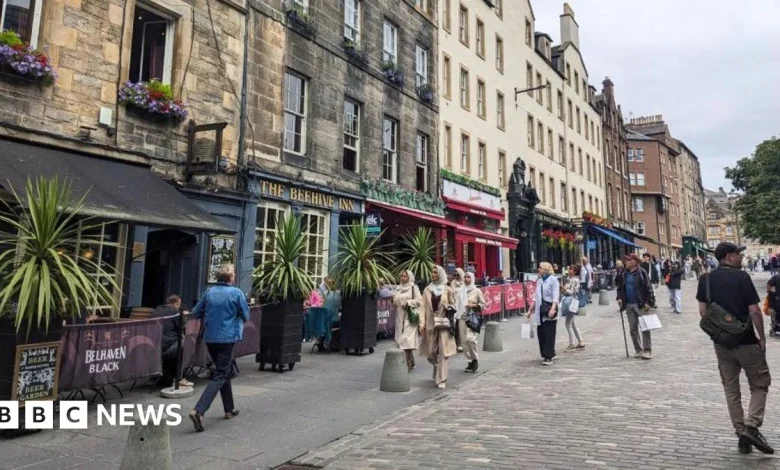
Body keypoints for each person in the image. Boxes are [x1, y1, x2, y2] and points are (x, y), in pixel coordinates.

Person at [696, 243, 772, 455]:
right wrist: (762, 337)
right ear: (729, 257)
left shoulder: (706, 279)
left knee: (731, 389)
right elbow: (755, 310)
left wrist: (721, 331)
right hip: (747, 341)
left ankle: (741, 435)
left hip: (722, 344)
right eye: (739, 254)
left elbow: (703, 312)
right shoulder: (741, 277)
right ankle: (751, 426)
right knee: (759, 384)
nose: (741, 257)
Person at [189, 264, 249, 432]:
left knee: (224, 370)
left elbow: (195, 311)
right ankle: (199, 410)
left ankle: (229, 409)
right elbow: (246, 315)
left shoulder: (209, 292)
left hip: (210, 338)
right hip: (227, 337)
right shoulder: (236, 293)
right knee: (220, 374)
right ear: (230, 278)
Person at [420, 265, 457, 389]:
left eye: (436, 272)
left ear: (440, 274)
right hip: (431, 323)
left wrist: (448, 306)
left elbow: (454, 305)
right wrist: (422, 323)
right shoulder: (427, 290)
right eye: (432, 272)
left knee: (443, 352)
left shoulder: (447, 290)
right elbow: (422, 307)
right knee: (431, 352)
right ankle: (436, 367)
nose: (433, 274)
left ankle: (442, 378)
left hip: (444, 324)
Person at [617, 254, 655, 360]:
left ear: (634, 262)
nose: (626, 262)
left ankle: (647, 350)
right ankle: (638, 350)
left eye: (628, 261)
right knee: (633, 329)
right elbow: (620, 288)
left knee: (645, 327)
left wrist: (648, 302)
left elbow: (648, 288)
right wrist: (619, 298)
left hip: (641, 304)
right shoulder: (624, 273)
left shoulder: (641, 273)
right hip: (629, 305)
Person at [151, 295, 193, 388]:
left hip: (154, 347)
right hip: (167, 348)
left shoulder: (157, 309)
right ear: (175, 304)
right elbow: (182, 327)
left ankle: (163, 375)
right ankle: (180, 378)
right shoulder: (174, 312)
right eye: (179, 305)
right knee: (185, 344)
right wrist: (184, 316)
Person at [531, 262, 560, 366]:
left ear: (545, 269)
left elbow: (555, 295)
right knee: (541, 333)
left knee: (549, 333)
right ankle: (547, 352)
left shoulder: (553, 280)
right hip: (540, 310)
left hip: (548, 308)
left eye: (540, 268)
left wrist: (553, 308)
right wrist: (531, 309)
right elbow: (536, 296)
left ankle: (548, 356)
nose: (538, 269)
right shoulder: (539, 281)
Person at [393, 270, 423, 372]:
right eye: (401, 276)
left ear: (409, 277)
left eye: (405, 276)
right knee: (401, 340)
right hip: (400, 317)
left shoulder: (414, 288)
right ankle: (411, 361)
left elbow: (419, 301)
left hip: (410, 317)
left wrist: (409, 303)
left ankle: (407, 365)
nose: (402, 278)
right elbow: (395, 300)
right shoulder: (398, 288)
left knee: (406, 339)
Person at [462, 272, 485, 372]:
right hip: (462, 317)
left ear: (472, 278)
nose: (466, 279)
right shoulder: (461, 290)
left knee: (470, 339)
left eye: (468, 277)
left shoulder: (477, 291)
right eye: (465, 277)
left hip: (472, 317)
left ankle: (475, 360)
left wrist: (474, 306)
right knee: (464, 342)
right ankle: (469, 361)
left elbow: (483, 304)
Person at [561, 265, 584, 352]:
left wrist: (564, 289)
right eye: (569, 268)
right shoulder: (568, 279)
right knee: (572, 323)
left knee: (568, 324)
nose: (569, 270)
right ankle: (581, 341)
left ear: (574, 271)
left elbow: (573, 292)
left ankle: (572, 344)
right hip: (570, 301)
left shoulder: (575, 280)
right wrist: (563, 289)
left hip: (572, 302)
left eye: (571, 269)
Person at [450, 268, 466, 353]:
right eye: (454, 275)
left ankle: (463, 344)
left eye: (458, 275)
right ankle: (457, 344)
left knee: (462, 326)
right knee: (455, 326)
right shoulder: (453, 283)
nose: (456, 277)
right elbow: (451, 293)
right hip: (455, 306)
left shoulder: (465, 283)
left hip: (462, 306)